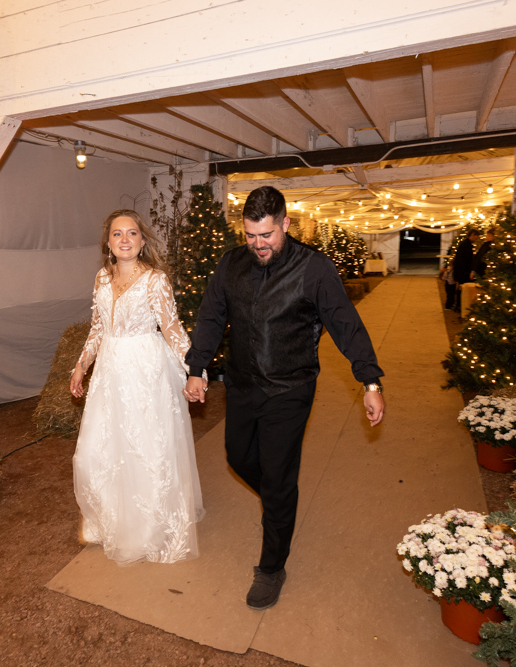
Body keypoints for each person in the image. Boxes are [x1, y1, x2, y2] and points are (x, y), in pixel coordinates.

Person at [183, 186, 385, 611]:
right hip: (242, 384)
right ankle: (281, 501)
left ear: (285, 224)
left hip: (290, 389)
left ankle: (272, 567)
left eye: (267, 235)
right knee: (238, 457)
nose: (258, 244)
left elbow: (345, 324)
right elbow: (211, 315)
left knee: (276, 477)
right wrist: (197, 367)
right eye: (250, 235)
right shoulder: (231, 264)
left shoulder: (314, 268)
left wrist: (370, 382)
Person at [69, 210, 204, 565]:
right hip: (109, 372)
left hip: (146, 372)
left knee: (145, 448)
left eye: (132, 233)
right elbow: (97, 328)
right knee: (98, 449)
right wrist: (81, 366)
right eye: (117, 234)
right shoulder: (102, 277)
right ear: (108, 243)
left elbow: (172, 329)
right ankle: (108, 520)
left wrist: (196, 370)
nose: (124, 239)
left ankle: (148, 528)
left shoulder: (155, 280)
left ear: (142, 242)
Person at [451, 229, 480, 312]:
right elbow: (467, 260)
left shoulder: (465, 244)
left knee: (461, 288)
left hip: (461, 271)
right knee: (463, 289)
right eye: (476, 236)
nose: (476, 238)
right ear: (472, 235)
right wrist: (469, 271)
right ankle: (460, 306)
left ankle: (458, 306)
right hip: (463, 272)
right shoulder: (467, 245)